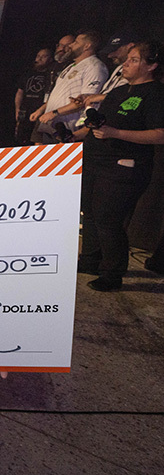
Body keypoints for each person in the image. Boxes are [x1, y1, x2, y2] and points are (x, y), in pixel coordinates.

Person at [76, 41, 164, 291]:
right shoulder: (118, 91)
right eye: (128, 59)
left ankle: (112, 273)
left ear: (152, 66)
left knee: (109, 218)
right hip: (96, 162)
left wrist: (116, 133)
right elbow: (103, 125)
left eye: (134, 60)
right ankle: (90, 260)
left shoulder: (156, 94)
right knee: (90, 213)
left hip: (124, 168)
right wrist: (77, 135)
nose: (126, 63)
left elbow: (160, 134)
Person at [30, 29, 108, 142]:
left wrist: (55, 112)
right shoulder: (71, 66)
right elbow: (59, 94)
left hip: (69, 132)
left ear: (87, 46)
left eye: (76, 42)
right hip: (52, 128)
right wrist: (42, 109)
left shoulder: (94, 66)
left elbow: (87, 100)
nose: (71, 45)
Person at [14, 48, 52, 145]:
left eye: (44, 56)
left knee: (36, 139)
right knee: (21, 137)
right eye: (38, 56)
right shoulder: (28, 73)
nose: (39, 59)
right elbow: (19, 93)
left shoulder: (50, 75)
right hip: (25, 110)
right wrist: (17, 109)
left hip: (40, 111)